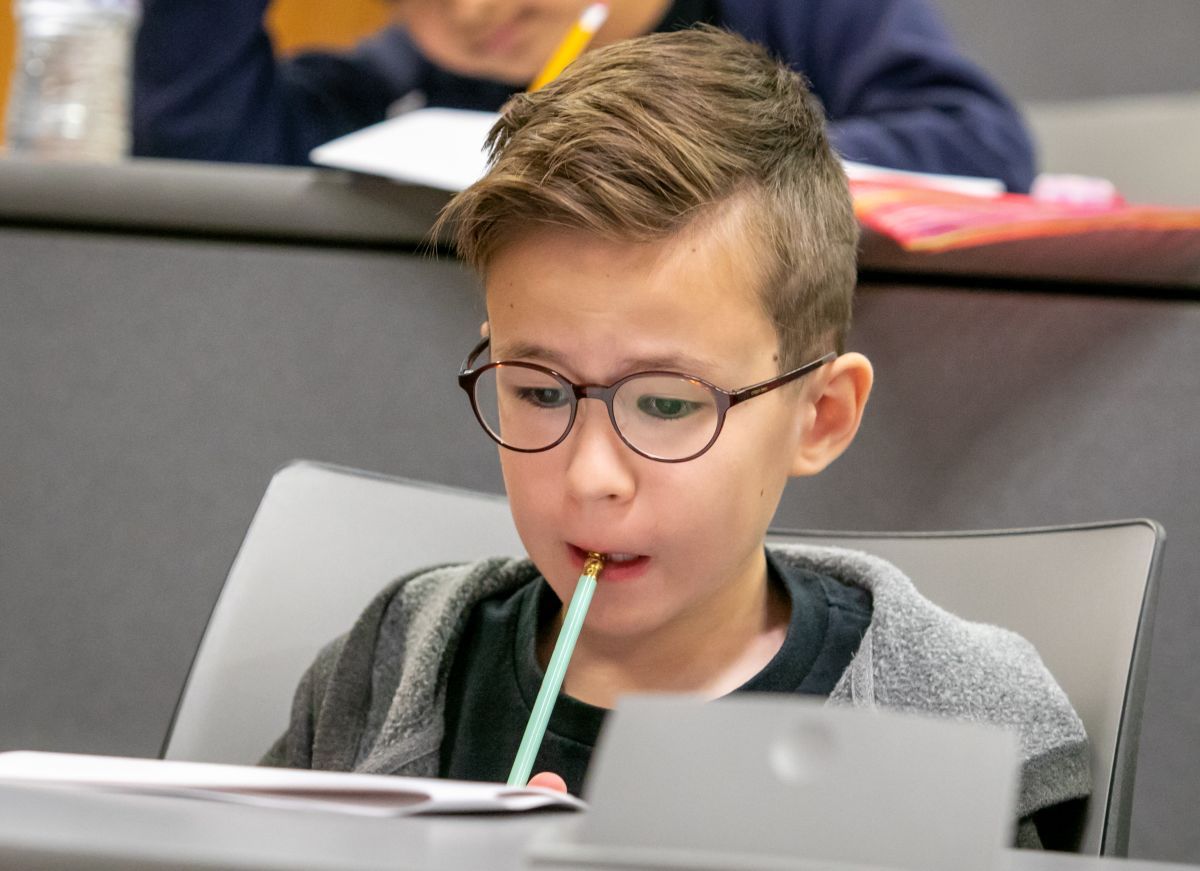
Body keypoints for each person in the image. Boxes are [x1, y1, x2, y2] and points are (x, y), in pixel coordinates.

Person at [260, 27, 1088, 848]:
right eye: (541, 391)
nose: (590, 475)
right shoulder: (384, 670)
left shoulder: (961, 722)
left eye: (664, 405)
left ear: (820, 415)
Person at [133, 0, 1037, 190]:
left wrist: (670, 147)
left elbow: (979, 141)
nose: (476, 9)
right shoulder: (410, 85)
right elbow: (204, 148)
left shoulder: (799, 11)